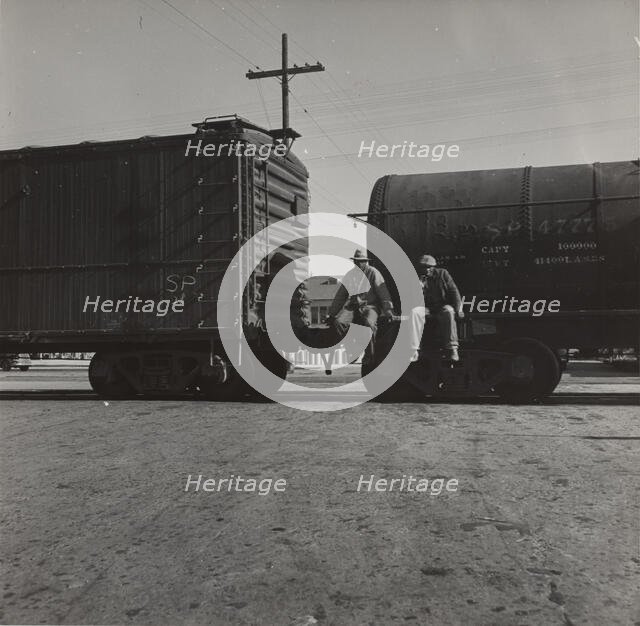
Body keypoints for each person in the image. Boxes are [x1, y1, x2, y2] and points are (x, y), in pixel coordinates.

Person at [327, 249, 394, 359]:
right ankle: (353, 351)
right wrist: (332, 314)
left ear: (366, 261)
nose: (358, 263)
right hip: (352, 307)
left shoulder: (373, 272)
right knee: (339, 322)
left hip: (370, 306)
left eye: (361, 261)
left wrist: (388, 310)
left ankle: (369, 355)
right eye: (356, 261)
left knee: (369, 323)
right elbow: (341, 295)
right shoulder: (350, 275)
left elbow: (383, 293)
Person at [410, 254, 464, 362]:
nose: (426, 270)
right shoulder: (415, 276)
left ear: (433, 267)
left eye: (429, 267)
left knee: (448, 311)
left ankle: (453, 348)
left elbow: (454, 292)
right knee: (415, 312)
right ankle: (414, 349)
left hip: (442, 305)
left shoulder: (443, 274)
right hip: (426, 307)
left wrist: (459, 309)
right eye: (423, 267)